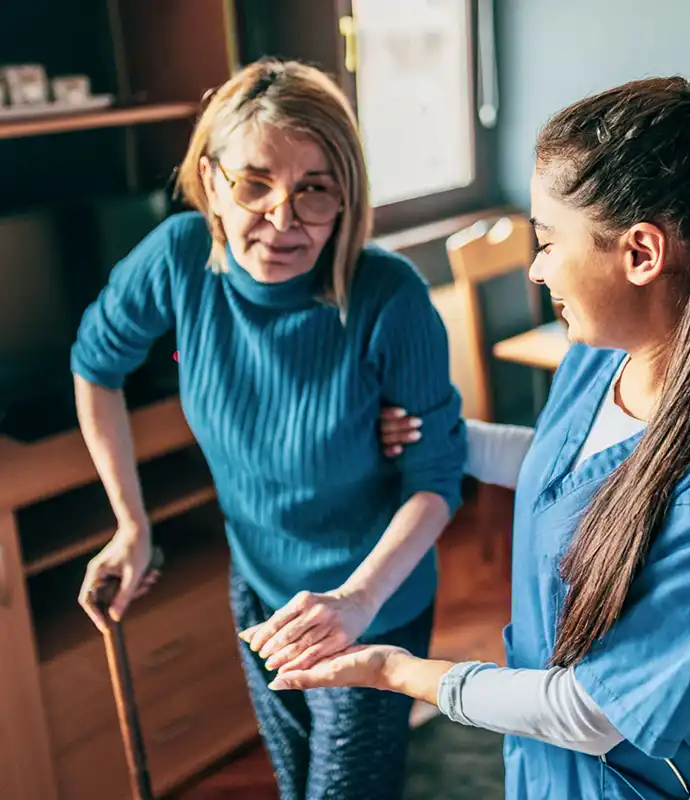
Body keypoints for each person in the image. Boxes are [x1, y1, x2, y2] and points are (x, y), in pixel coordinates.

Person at [265, 67, 690, 798]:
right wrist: (440, 436)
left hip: (659, 776)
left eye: (548, 241)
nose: (539, 269)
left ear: (641, 253)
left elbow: (594, 710)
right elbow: (573, 474)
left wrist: (397, 672)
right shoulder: (601, 352)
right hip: (553, 756)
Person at [72, 58, 466, 800]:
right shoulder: (181, 259)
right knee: (296, 785)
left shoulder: (389, 297)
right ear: (212, 181)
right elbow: (96, 366)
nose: (282, 221)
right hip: (259, 586)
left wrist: (355, 600)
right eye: (255, 183)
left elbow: (437, 481)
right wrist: (132, 523)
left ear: (345, 198)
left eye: (313, 189)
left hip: (374, 597)